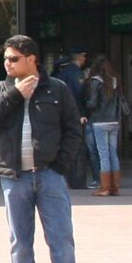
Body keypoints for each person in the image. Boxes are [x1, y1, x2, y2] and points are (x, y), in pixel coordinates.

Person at [0, 35, 100, 263]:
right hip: (14, 176)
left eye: (13, 59)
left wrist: (60, 166)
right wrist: (15, 94)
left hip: (49, 176)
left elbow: (72, 129)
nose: (7, 63)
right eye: (5, 59)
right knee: (20, 240)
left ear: (32, 59)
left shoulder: (56, 89)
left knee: (61, 239)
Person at [82, 57, 125, 197]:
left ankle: (105, 187)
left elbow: (92, 103)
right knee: (113, 154)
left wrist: (85, 104)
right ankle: (115, 186)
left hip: (100, 121)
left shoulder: (96, 81)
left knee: (103, 155)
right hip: (114, 121)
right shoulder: (114, 80)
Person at [53, 50, 94, 189]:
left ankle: (66, 178)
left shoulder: (63, 73)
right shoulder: (75, 72)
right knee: (77, 148)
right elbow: (79, 93)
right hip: (74, 114)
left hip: (61, 113)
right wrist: (81, 113)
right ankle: (76, 180)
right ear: (81, 58)